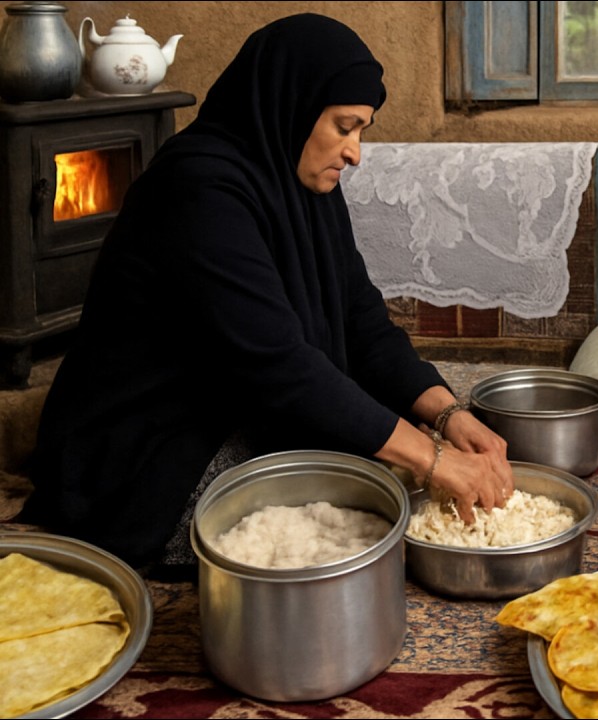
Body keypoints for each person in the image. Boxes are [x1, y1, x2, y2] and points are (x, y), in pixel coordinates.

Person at [24, 13, 514, 575]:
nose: (355, 152)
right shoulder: (196, 189)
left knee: (374, 458)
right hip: (147, 448)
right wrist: (433, 461)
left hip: (233, 403)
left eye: (361, 131)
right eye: (344, 126)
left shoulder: (304, 181)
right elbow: (277, 363)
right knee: (366, 496)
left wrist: (449, 415)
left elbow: (364, 324)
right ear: (293, 104)